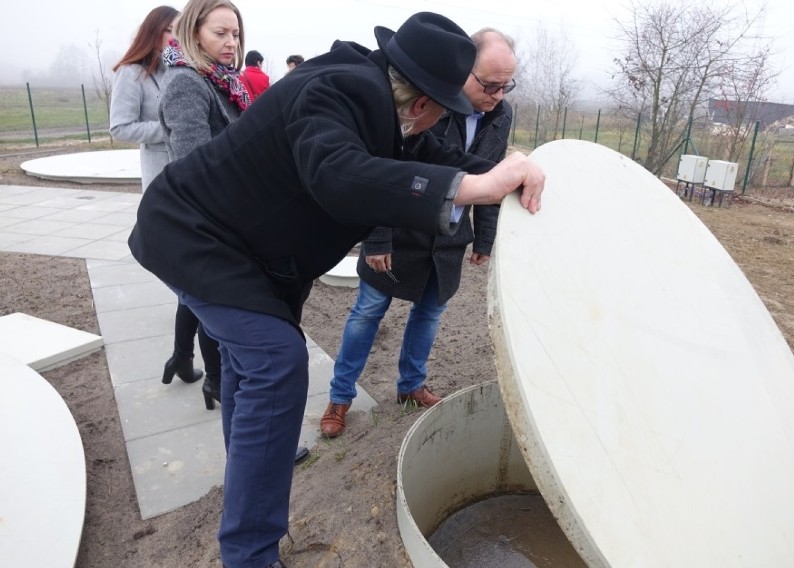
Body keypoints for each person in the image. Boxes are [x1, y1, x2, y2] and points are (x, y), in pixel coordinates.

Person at [129, 12, 544, 568]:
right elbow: (336, 172)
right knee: (276, 362)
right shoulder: (337, 89)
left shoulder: (384, 108)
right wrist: (474, 186)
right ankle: (249, 556)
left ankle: (250, 475)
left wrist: (502, 175)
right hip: (196, 238)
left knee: (253, 368)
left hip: (242, 254)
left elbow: (443, 161)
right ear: (422, 104)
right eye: (446, 110)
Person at [320, 27, 518, 438]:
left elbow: (490, 177)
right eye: (490, 84)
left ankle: (410, 386)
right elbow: (384, 163)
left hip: (448, 237)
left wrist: (483, 238)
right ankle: (340, 397)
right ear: (465, 71)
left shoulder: (502, 115)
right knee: (368, 312)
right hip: (400, 229)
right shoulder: (427, 100)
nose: (498, 95)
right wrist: (377, 237)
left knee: (430, 313)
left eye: (505, 86)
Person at [157, 0, 248, 406]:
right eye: (220, 34)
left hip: (227, 220)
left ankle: (211, 381)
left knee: (217, 321)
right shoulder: (187, 83)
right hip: (211, 223)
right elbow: (196, 167)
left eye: (236, 33)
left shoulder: (223, 78)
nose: (232, 42)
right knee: (224, 325)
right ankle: (227, 396)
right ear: (195, 34)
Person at [109, 5, 180, 192]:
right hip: (160, 176)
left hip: (188, 173)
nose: (177, 38)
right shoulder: (131, 72)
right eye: (170, 30)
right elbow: (120, 128)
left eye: (180, 31)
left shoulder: (181, 71)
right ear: (153, 32)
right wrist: (170, 128)